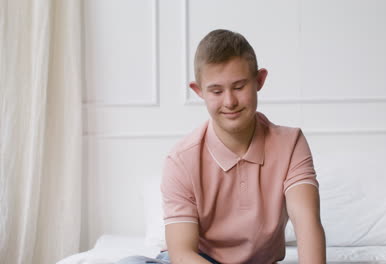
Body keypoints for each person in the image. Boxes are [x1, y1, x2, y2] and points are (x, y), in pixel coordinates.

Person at [116, 29, 325, 264]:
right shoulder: (181, 160)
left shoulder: (291, 143)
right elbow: (182, 253)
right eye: (216, 91)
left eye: (238, 87)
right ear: (199, 91)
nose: (229, 102)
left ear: (259, 81)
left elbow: (307, 224)